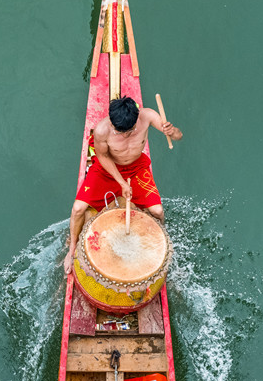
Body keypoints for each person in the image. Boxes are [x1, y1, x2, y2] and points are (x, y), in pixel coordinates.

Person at [64, 97, 183, 273]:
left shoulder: (148, 116)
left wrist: (172, 132)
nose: (123, 135)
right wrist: (121, 182)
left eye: (129, 131)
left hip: (136, 168)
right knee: (78, 208)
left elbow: (179, 136)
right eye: (118, 131)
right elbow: (103, 157)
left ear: (136, 120)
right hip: (107, 170)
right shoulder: (102, 130)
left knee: (158, 211)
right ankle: (72, 248)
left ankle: (160, 245)